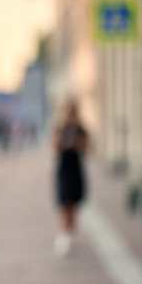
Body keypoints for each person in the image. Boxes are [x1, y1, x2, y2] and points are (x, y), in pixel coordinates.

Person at [52, 98, 90, 256]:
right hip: (65, 167)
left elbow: (87, 147)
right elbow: (55, 146)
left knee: (73, 204)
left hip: (75, 166)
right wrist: (65, 141)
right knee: (65, 203)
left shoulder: (81, 128)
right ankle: (64, 236)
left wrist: (78, 142)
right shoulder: (61, 127)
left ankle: (69, 236)